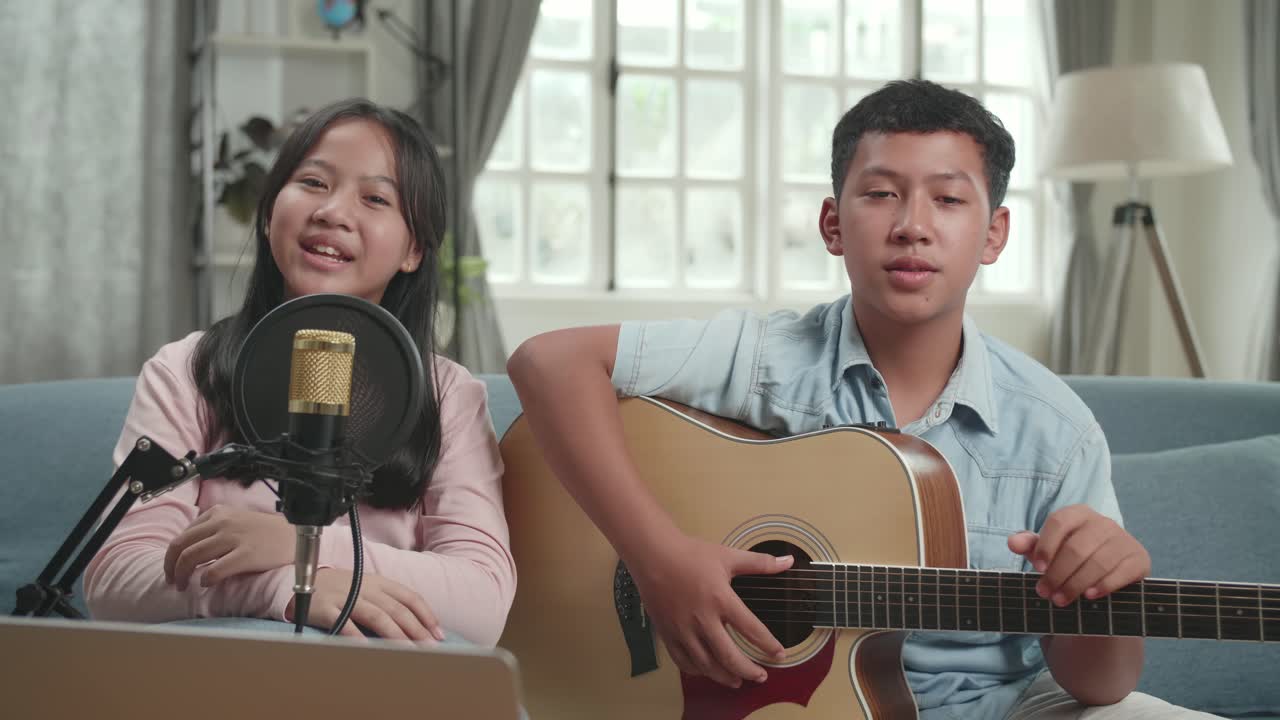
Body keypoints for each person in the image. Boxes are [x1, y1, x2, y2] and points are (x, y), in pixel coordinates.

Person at [506, 80, 1219, 718]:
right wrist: (660, 561)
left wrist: (1106, 591)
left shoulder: (1055, 429)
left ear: (993, 234)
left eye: (948, 198)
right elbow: (549, 361)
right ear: (833, 225)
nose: (912, 223)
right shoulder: (764, 358)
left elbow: (1097, 685)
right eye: (881, 193)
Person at [85, 98, 516, 647]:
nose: (333, 212)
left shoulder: (447, 395)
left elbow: (484, 601)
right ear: (269, 213)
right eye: (313, 182)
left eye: (376, 197)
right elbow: (113, 579)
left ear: (413, 250)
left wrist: (297, 546)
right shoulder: (185, 372)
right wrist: (282, 588)